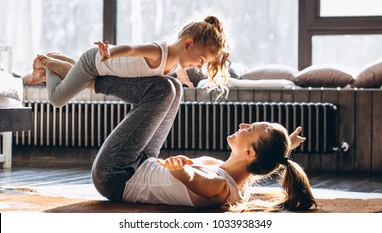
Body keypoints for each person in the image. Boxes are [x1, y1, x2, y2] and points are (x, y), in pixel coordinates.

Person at [89, 74, 316, 211]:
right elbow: (268, 159)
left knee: (163, 90)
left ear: (249, 152)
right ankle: (84, 77)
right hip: (142, 163)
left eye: (250, 129)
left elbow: (199, 181)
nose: (244, 125)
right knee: (174, 87)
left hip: (117, 176)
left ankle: (89, 80)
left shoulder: (221, 188)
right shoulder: (241, 179)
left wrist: (182, 171)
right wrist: (288, 144)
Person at [33, 15, 231, 108]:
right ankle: (47, 63)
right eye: (201, 60)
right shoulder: (158, 51)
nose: (200, 66)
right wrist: (110, 52)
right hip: (94, 63)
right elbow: (131, 48)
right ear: (188, 44)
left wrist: (183, 77)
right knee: (56, 99)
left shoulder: (175, 63)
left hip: (102, 69)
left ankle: (56, 57)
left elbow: (180, 68)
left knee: (82, 80)